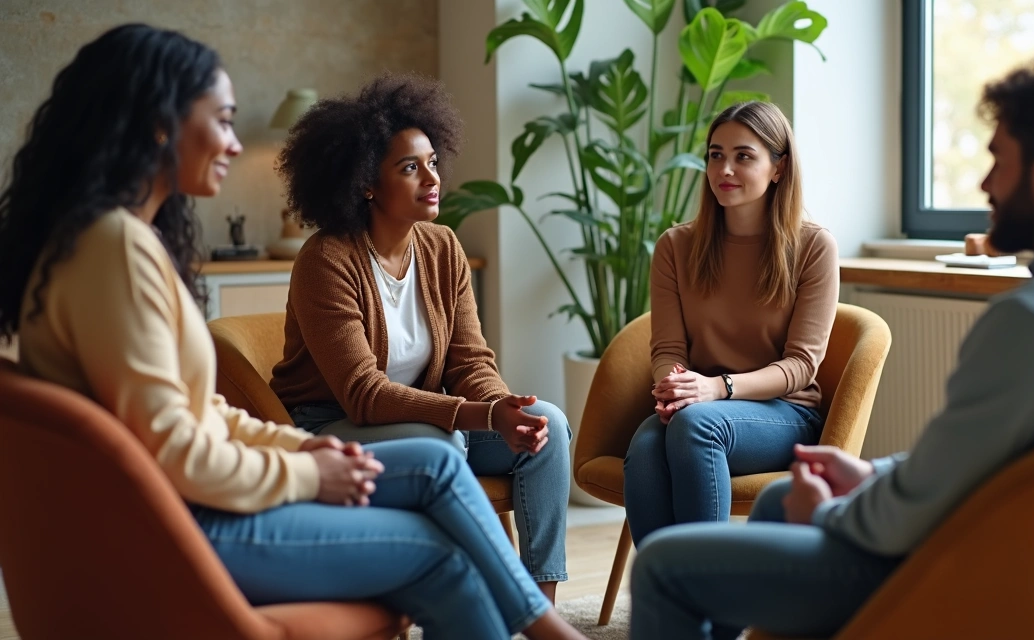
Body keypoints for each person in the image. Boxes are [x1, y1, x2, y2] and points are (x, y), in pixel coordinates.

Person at [0, 24, 585, 640]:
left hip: (180, 507)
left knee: (447, 475)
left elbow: (198, 415)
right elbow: (176, 446)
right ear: (160, 126)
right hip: (178, 526)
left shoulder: (107, 241)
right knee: (445, 539)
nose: (232, 142)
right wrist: (308, 470)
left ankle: (542, 618)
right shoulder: (116, 249)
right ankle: (546, 628)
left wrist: (299, 452)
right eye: (222, 120)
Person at [627, 45, 1034, 640]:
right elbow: (995, 460)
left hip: (983, 579)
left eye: (998, 162)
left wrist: (831, 510)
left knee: (663, 567)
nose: (984, 184)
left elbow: (912, 512)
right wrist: (873, 471)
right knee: (778, 507)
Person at [268, 72, 572, 602]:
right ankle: (463, 599)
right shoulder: (326, 260)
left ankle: (538, 604)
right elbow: (364, 395)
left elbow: (470, 361)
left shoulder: (443, 246)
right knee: (443, 443)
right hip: (332, 426)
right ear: (366, 182)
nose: (431, 178)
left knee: (551, 427)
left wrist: (505, 407)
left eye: (432, 162)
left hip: (431, 418)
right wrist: (481, 417)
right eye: (410, 167)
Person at [623, 101, 840, 545]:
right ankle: (670, 597)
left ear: (778, 168)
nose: (725, 168)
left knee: (696, 425)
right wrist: (676, 389)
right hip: (696, 406)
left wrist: (715, 388)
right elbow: (667, 349)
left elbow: (801, 365)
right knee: (645, 448)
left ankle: (715, 598)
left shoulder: (814, 246)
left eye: (744, 155)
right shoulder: (675, 246)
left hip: (784, 412)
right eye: (715, 154)